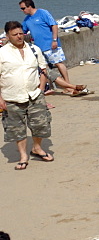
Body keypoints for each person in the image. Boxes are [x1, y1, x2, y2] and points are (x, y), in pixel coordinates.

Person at [0, 21, 53, 169]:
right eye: (14, 35)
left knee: (40, 124)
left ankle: (37, 148)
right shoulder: (2, 53)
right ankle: (23, 155)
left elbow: (43, 69)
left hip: (34, 95)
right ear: (7, 36)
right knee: (17, 129)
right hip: (12, 97)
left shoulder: (34, 49)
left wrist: (41, 89)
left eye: (20, 33)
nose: (19, 37)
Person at [19, 0, 87, 97]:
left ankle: (68, 85)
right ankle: (50, 87)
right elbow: (22, 31)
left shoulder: (43, 13)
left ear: (29, 6)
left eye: (23, 8)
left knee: (59, 63)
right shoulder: (27, 20)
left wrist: (54, 40)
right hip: (39, 48)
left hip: (51, 44)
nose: (22, 10)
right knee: (45, 69)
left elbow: (54, 25)